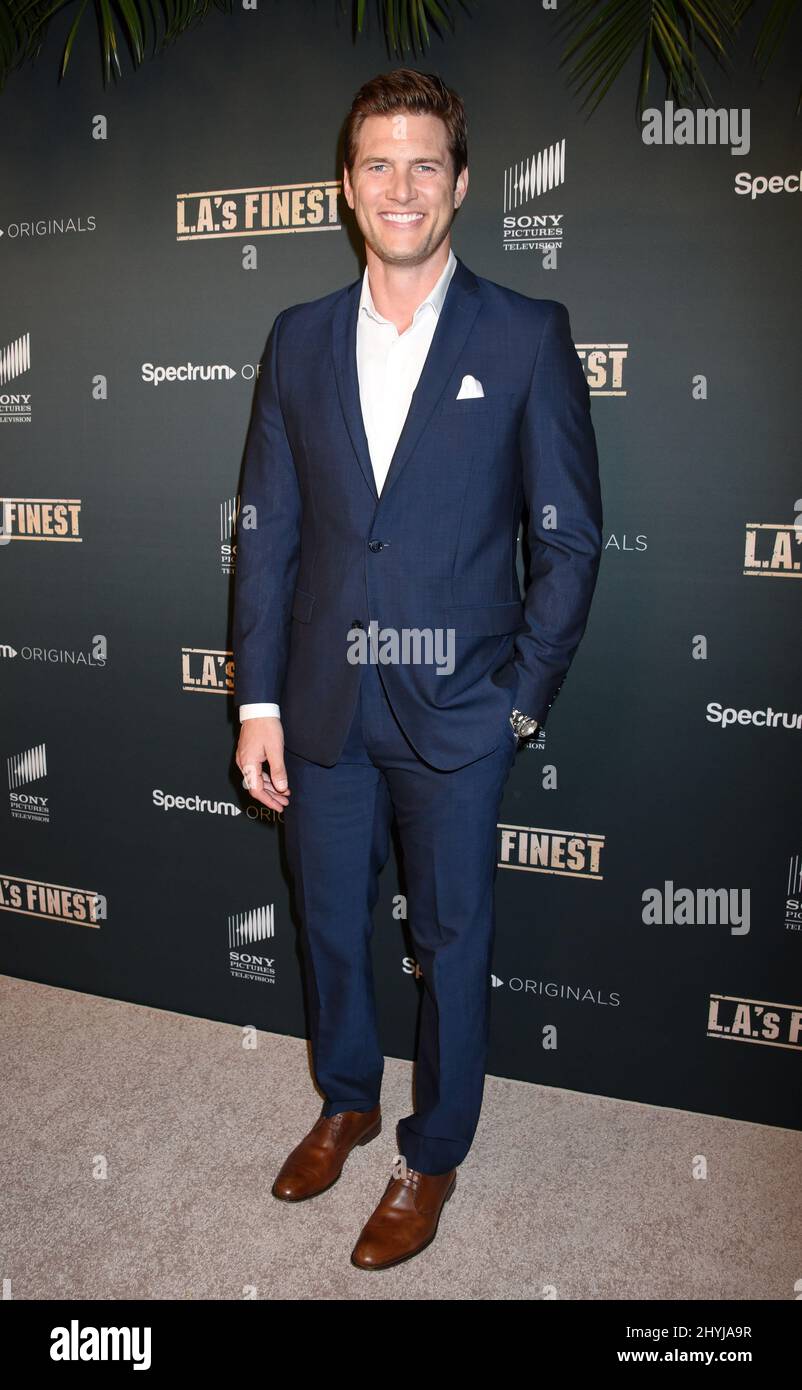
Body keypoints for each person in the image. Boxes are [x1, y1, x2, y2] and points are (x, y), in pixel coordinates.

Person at [232, 67, 603, 1271]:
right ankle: (344, 1098)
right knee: (330, 926)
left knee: (450, 941)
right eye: (378, 163)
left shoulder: (527, 331)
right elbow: (273, 534)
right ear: (346, 187)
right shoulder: (294, 339)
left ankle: (428, 1151)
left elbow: (568, 539)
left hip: (460, 713)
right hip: (325, 699)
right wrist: (258, 698)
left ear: (459, 184)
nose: (401, 185)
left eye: (424, 162)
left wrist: (520, 703)